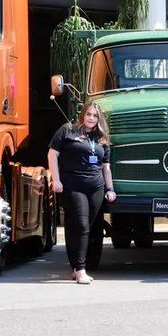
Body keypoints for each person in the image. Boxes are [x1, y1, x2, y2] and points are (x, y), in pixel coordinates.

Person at [48, 101, 115, 284]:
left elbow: (106, 167)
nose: (91, 118)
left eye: (95, 115)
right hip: (72, 185)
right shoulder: (68, 130)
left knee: (83, 227)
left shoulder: (101, 139)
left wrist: (110, 189)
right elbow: (52, 154)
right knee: (81, 226)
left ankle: (75, 265)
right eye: (88, 114)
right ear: (82, 115)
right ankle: (80, 269)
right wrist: (56, 180)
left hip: (96, 187)